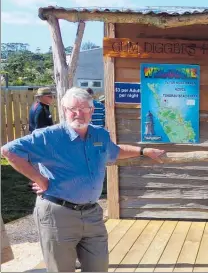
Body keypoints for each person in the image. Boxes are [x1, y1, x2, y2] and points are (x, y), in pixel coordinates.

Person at [1, 87, 165, 272]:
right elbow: (9, 151)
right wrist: (40, 179)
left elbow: (115, 151)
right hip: (57, 214)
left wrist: (143, 151)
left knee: (99, 267)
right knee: (61, 269)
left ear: (92, 110)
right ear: (64, 110)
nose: (78, 113)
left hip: (92, 214)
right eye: (72, 109)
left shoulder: (99, 134)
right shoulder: (49, 136)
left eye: (84, 108)